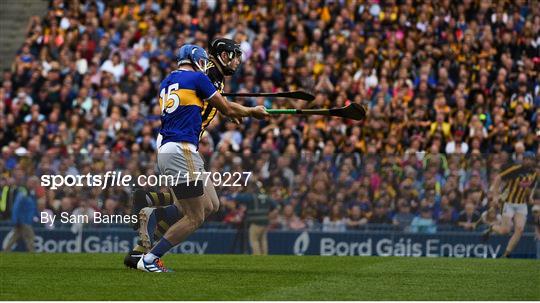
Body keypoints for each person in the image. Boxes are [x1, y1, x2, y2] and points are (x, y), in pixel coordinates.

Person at [135, 44, 268, 272]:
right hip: (182, 150)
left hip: (168, 149)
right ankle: (149, 258)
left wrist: (233, 109)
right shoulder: (198, 79)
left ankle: (153, 214)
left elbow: (216, 107)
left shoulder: (167, 81)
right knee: (195, 216)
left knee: (211, 204)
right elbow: (225, 107)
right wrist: (250, 111)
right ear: (197, 60)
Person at [482, 152, 537, 258]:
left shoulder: (534, 173)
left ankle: (506, 254)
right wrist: (495, 196)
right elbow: (498, 178)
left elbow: (531, 188)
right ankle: (492, 228)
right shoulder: (515, 169)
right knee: (505, 230)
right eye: (526, 159)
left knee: (520, 229)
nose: (528, 161)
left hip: (521, 204)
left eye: (531, 159)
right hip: (508, 203)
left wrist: (530, 197)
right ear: (523, 159)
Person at [2, 176, 38, 252]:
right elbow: (16, 206)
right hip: (23, 220)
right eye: (34, 183)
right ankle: (33, 253)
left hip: (24, 220)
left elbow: (32, 207)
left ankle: (6, 251)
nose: (35, 185)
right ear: (29, 182)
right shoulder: (23, 192)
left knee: (15, 237)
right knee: (30, 236)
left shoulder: (30, 193)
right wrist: (15, 220)